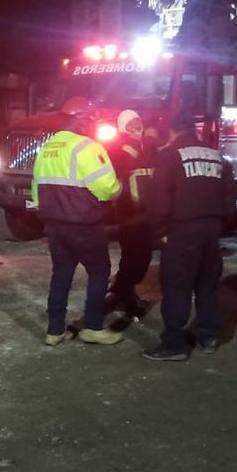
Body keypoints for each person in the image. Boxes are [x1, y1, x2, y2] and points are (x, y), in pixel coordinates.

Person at [142, 114, 236, 361]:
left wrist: (160, 231)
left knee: (177, 286)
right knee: (207, 284)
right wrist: (219, 226)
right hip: (211, 229)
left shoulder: (169, 156)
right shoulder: (216, 156)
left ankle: (174, 345)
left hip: (180, 230)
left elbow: (158, 199)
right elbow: (230, 197)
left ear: (172, 131)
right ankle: (208, 336)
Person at [31, 119, 124, 346]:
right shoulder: (87, 146)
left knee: (61, 274)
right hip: (84, 224)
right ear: (84, 125)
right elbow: (106, 186)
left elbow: (36, 186)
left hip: (54, 224)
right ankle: (93, 327)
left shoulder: (47, 148)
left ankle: (55, 331)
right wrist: (119, 188)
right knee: (99, 271)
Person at [105, 109, 154, 318]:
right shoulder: (119, 148)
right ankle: (122, 296)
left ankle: (122, 293)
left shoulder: (145, 146)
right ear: (123, 127)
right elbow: (117, 171)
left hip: (146, 212)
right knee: (133, 257)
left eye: (138, 121)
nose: (137, 126)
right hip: (130, 213)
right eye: (132, 123)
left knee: (140, 257)